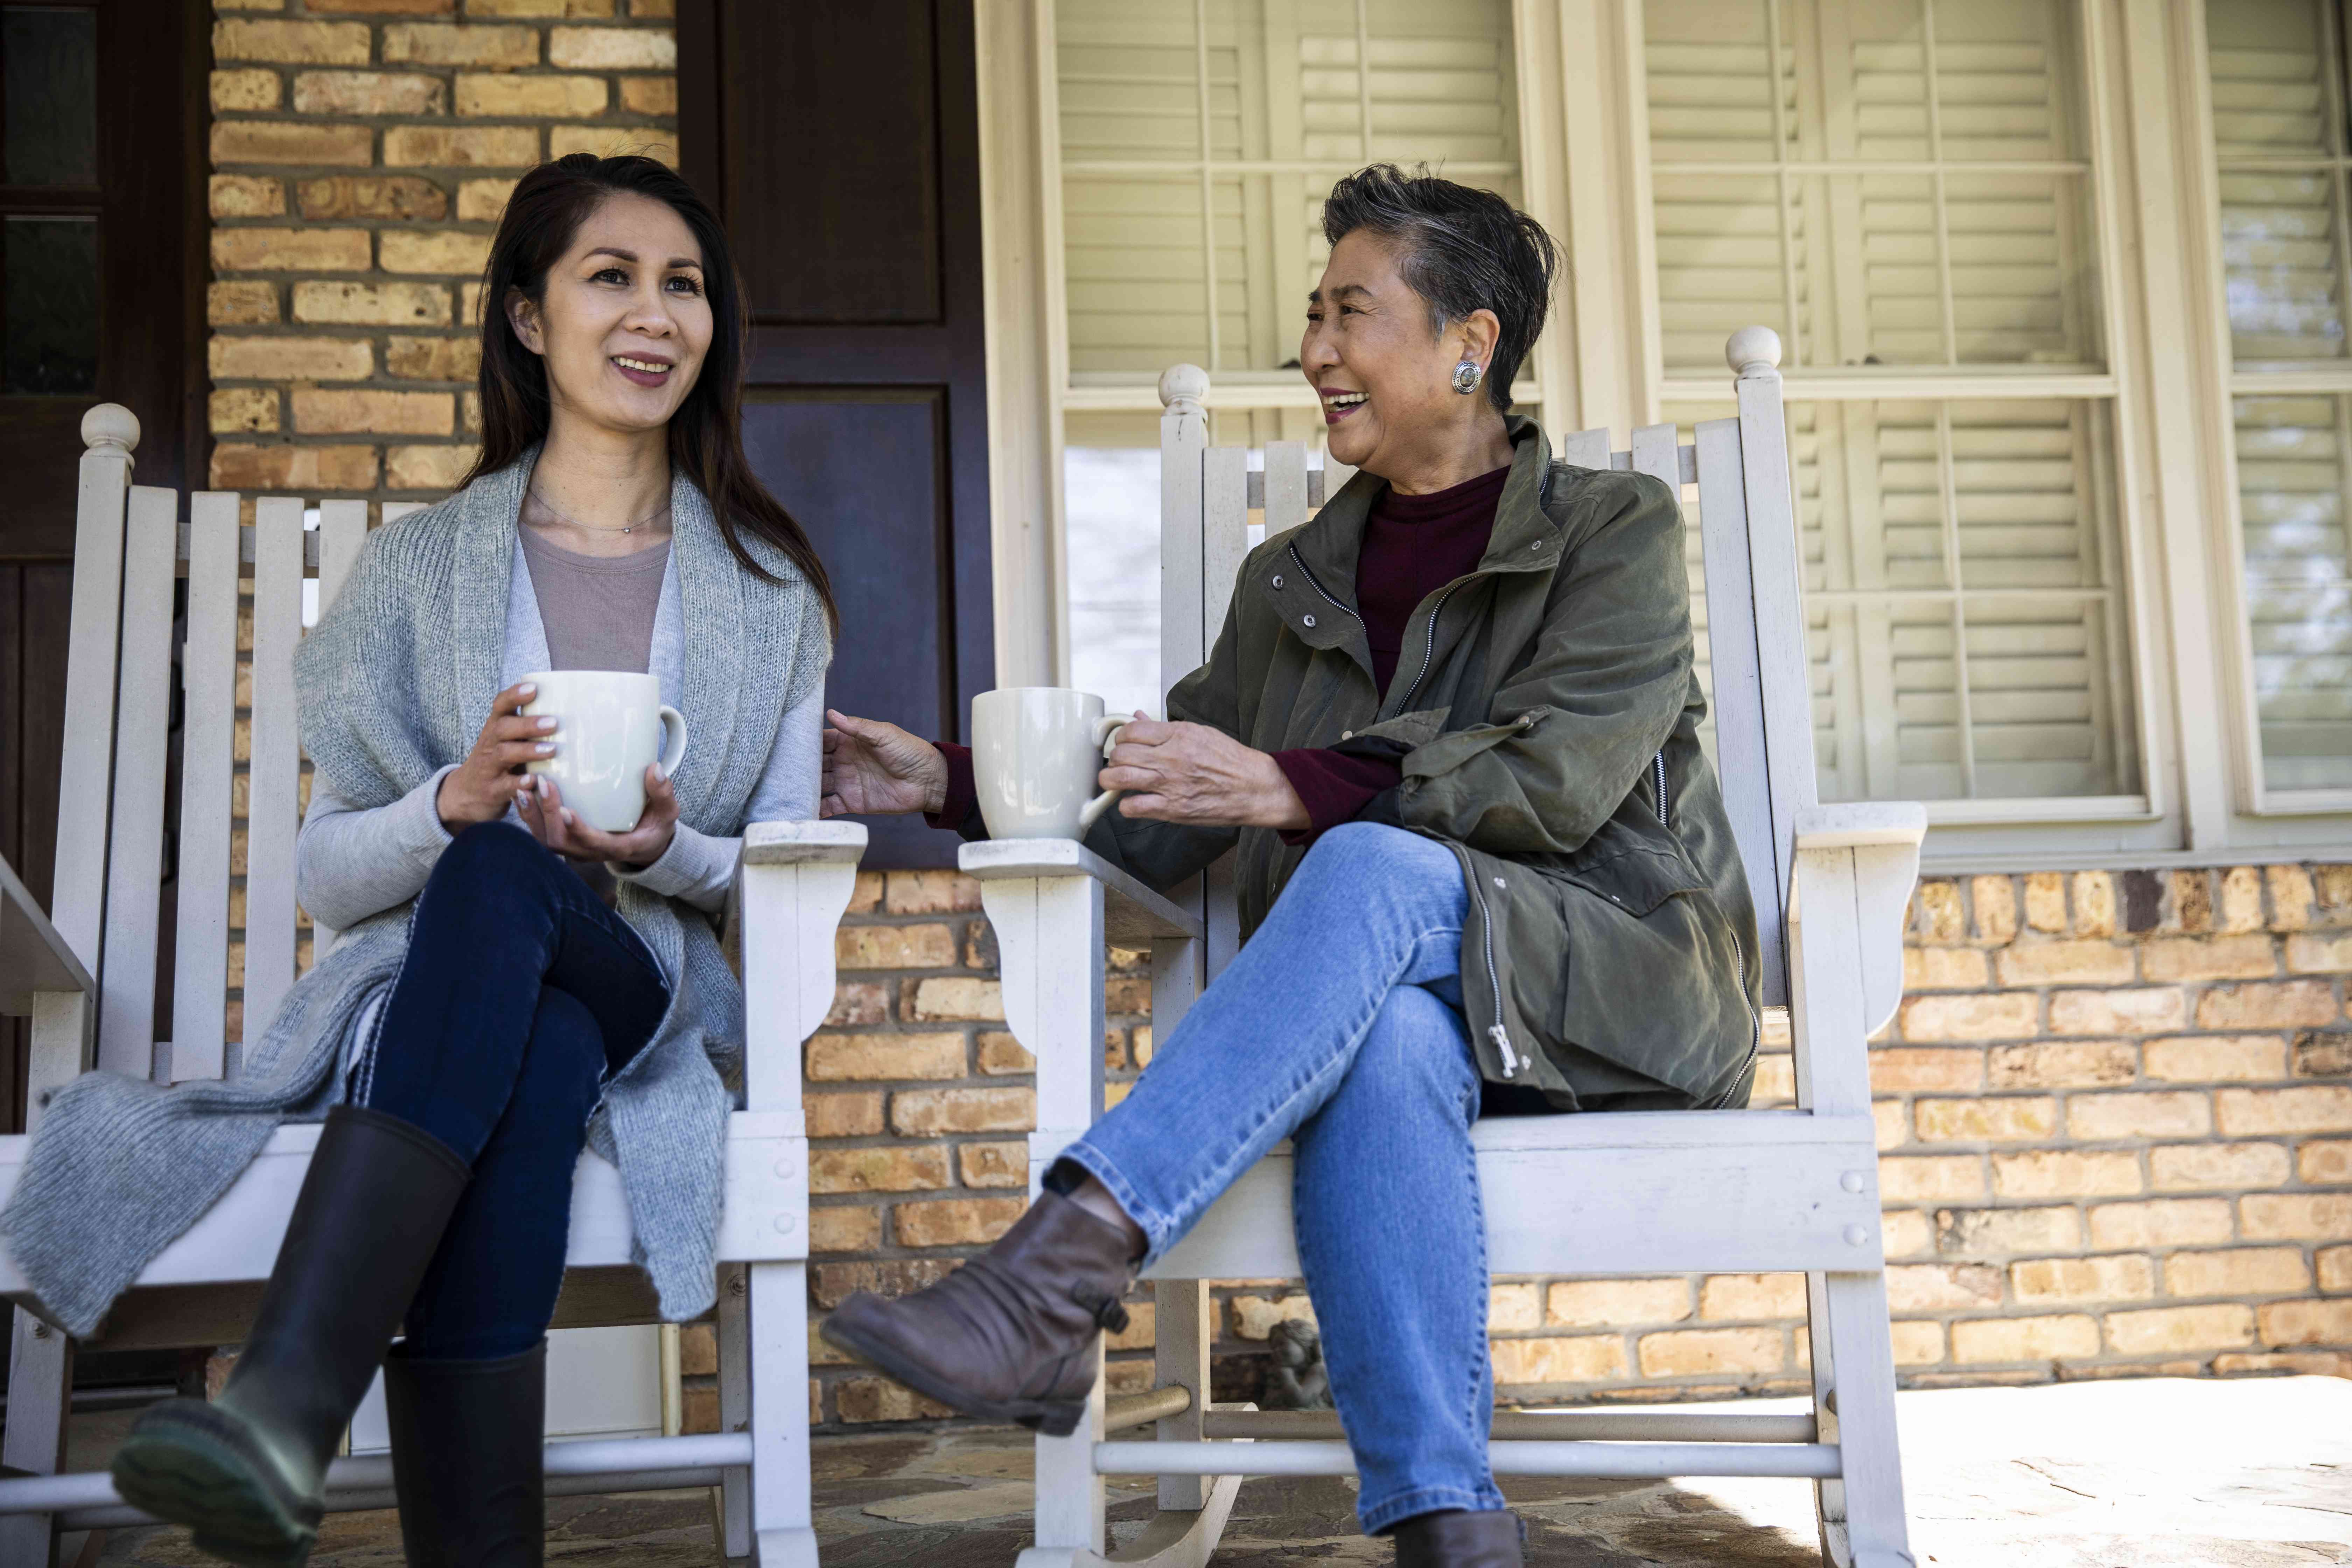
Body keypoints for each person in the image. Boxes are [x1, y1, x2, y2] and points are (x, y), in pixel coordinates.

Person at [817, 164, 1759, 1568]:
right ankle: (1452, 1531)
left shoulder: (1609, 532)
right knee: (1376, 1045)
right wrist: (943, 781)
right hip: (1416, 1009)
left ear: (1470, 341)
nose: (1313, 349)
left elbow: (1560, 781)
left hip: (1607, 980)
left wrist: (1290, 785)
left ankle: (1059, 1271)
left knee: (1375, 860)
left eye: (1350, 313)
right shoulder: (1291, 582)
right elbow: (1170, 793)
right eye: (1311, 317)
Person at [0, 154, 834, 1568]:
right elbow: (329, 877)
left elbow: (790, 876)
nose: (656, 314)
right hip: (478, 1007)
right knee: (526, 989)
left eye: (683, 284)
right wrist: (447, 802)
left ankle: (288, 1397)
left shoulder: (772, 597)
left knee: (522, 906)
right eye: (610, 277)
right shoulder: (414, 572)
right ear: (526, 318)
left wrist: (666, 845)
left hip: (656, 995)